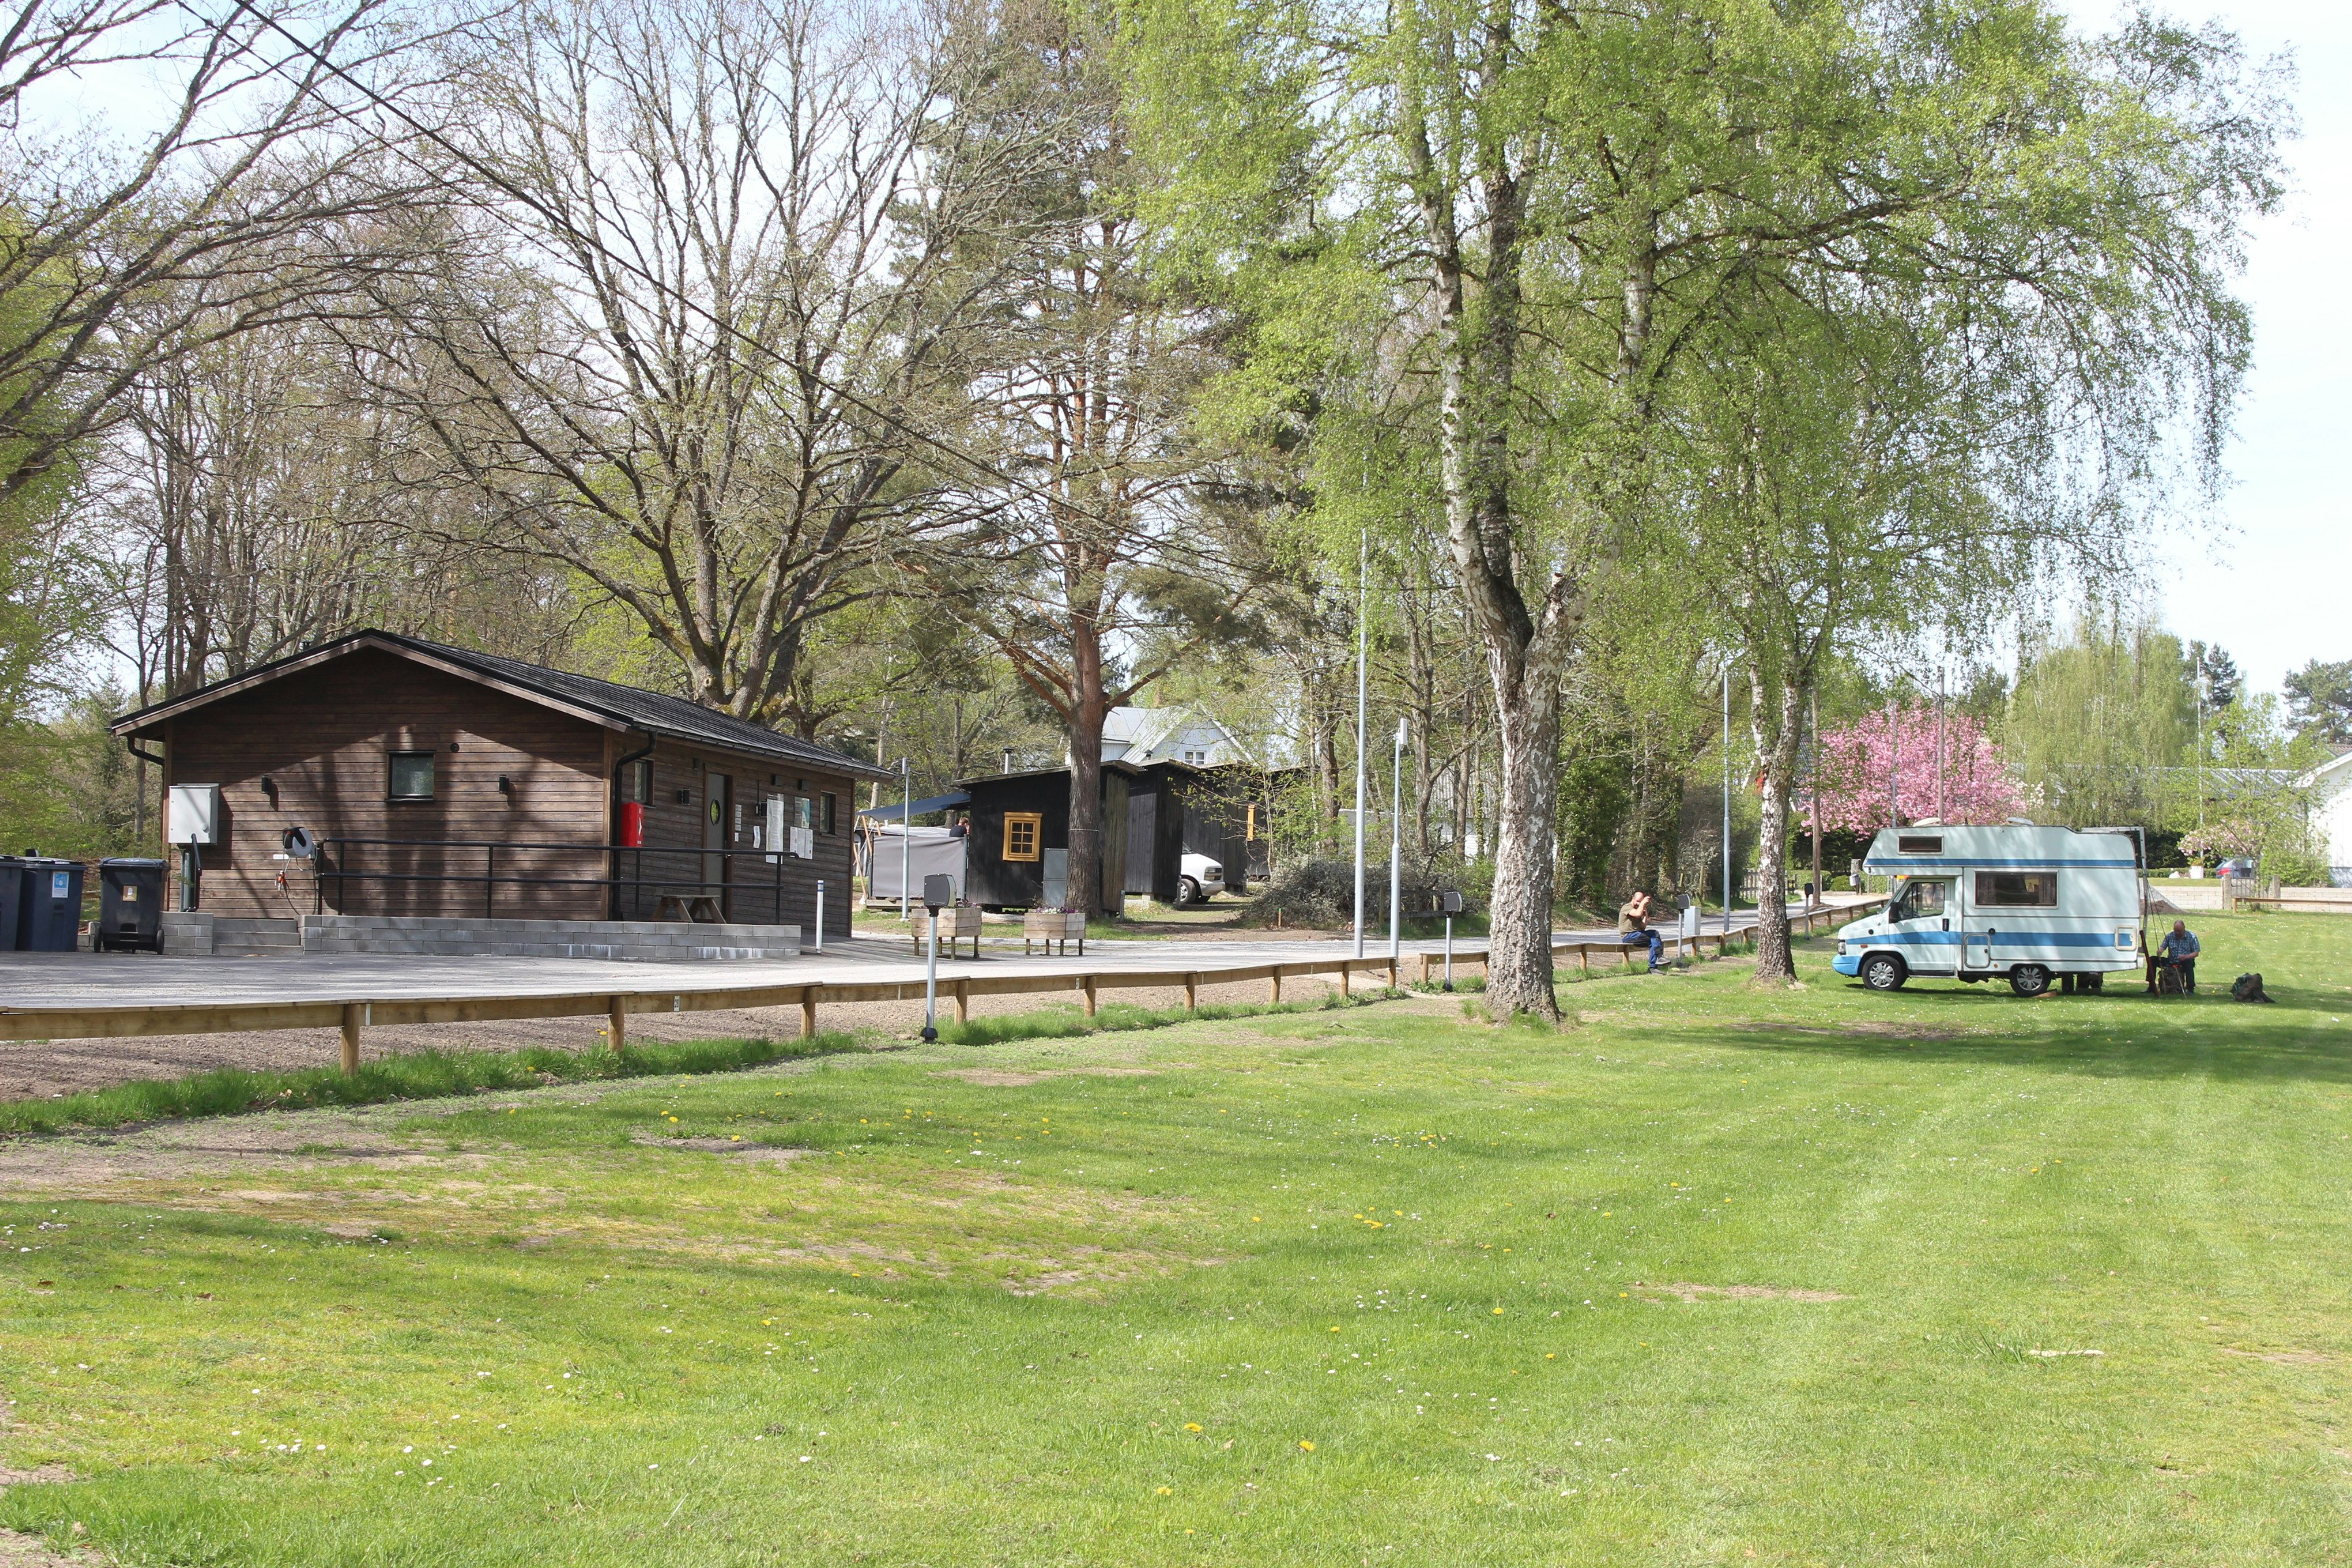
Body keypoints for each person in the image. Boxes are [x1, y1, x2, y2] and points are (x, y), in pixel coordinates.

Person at [1619, 889, 1665, 973]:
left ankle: (1653, 967)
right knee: (1654, 934)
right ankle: (1659, 957)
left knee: (1654, 941)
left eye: (1640, 902)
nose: (1638, 904)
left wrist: (1645, 915)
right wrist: (1643, 903)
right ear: (1633, 898)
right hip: (1628, 936)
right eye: (1637, 901)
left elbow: (1643, 927)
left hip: (1637, 935)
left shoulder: (1639, 909)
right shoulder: (1627, 907)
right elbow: (1637, 914)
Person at [2159, 920, 2200, 994]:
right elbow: (2163, 947)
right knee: (2152, 960)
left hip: (2184, 961)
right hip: (2171, 961)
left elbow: (2196, 953)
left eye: (2179, 931)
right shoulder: (2170, 936)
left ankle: (2190, 988)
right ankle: (2151, 986)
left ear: (2184, 928)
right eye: (2175, 931)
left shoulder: (2191, 937)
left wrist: (2186, 957)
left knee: (2189, 963)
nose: (2177, 933)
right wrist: (2160, 951)